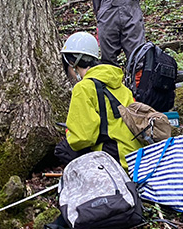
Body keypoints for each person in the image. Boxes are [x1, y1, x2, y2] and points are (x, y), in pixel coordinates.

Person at [54, 31, 143, 169]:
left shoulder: (83, 88)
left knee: (63, 149)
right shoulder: (118, 82)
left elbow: (83, 138)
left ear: (72, 63)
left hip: (115, 160)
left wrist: (71, 132)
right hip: (136, 157)